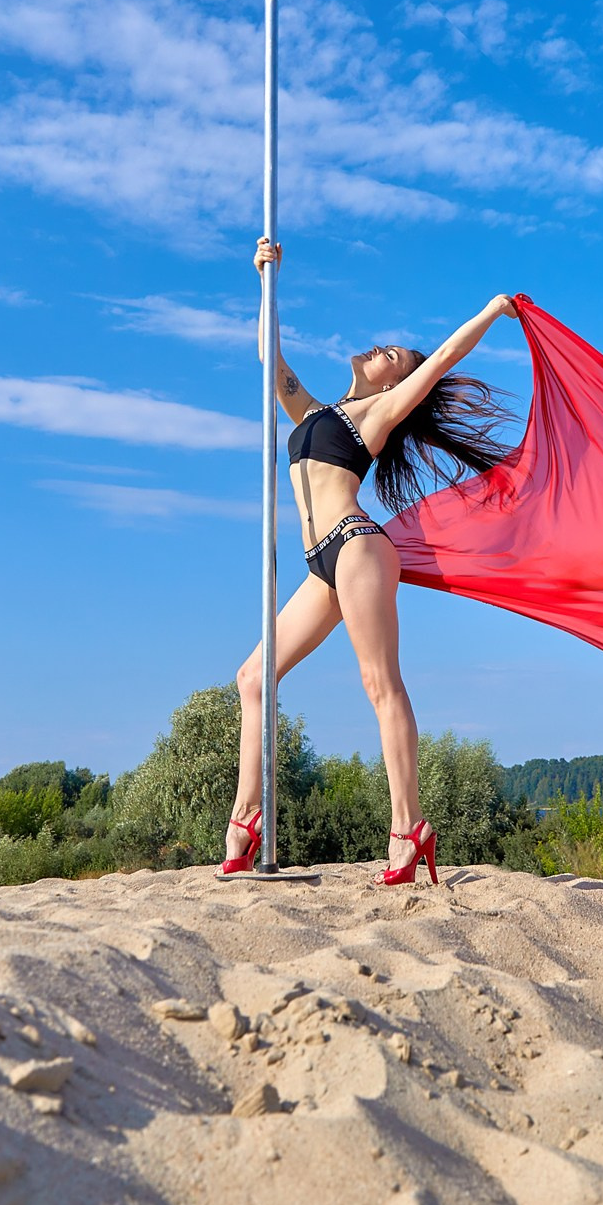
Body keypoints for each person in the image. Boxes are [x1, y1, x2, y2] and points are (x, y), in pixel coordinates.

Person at [221, 237, 519, 882]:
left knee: (380, 683)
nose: (379, 351)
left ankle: (408, 828)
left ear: (396, 380)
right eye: (385, 348)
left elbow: (440, 358)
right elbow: (270, 366)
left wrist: (492, 312)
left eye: (392, 356)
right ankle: (248, 817)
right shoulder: (317, 410)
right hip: (320, 562)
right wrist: (264, 282)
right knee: (253, 679)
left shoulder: (377, 415)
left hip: (357, 547)